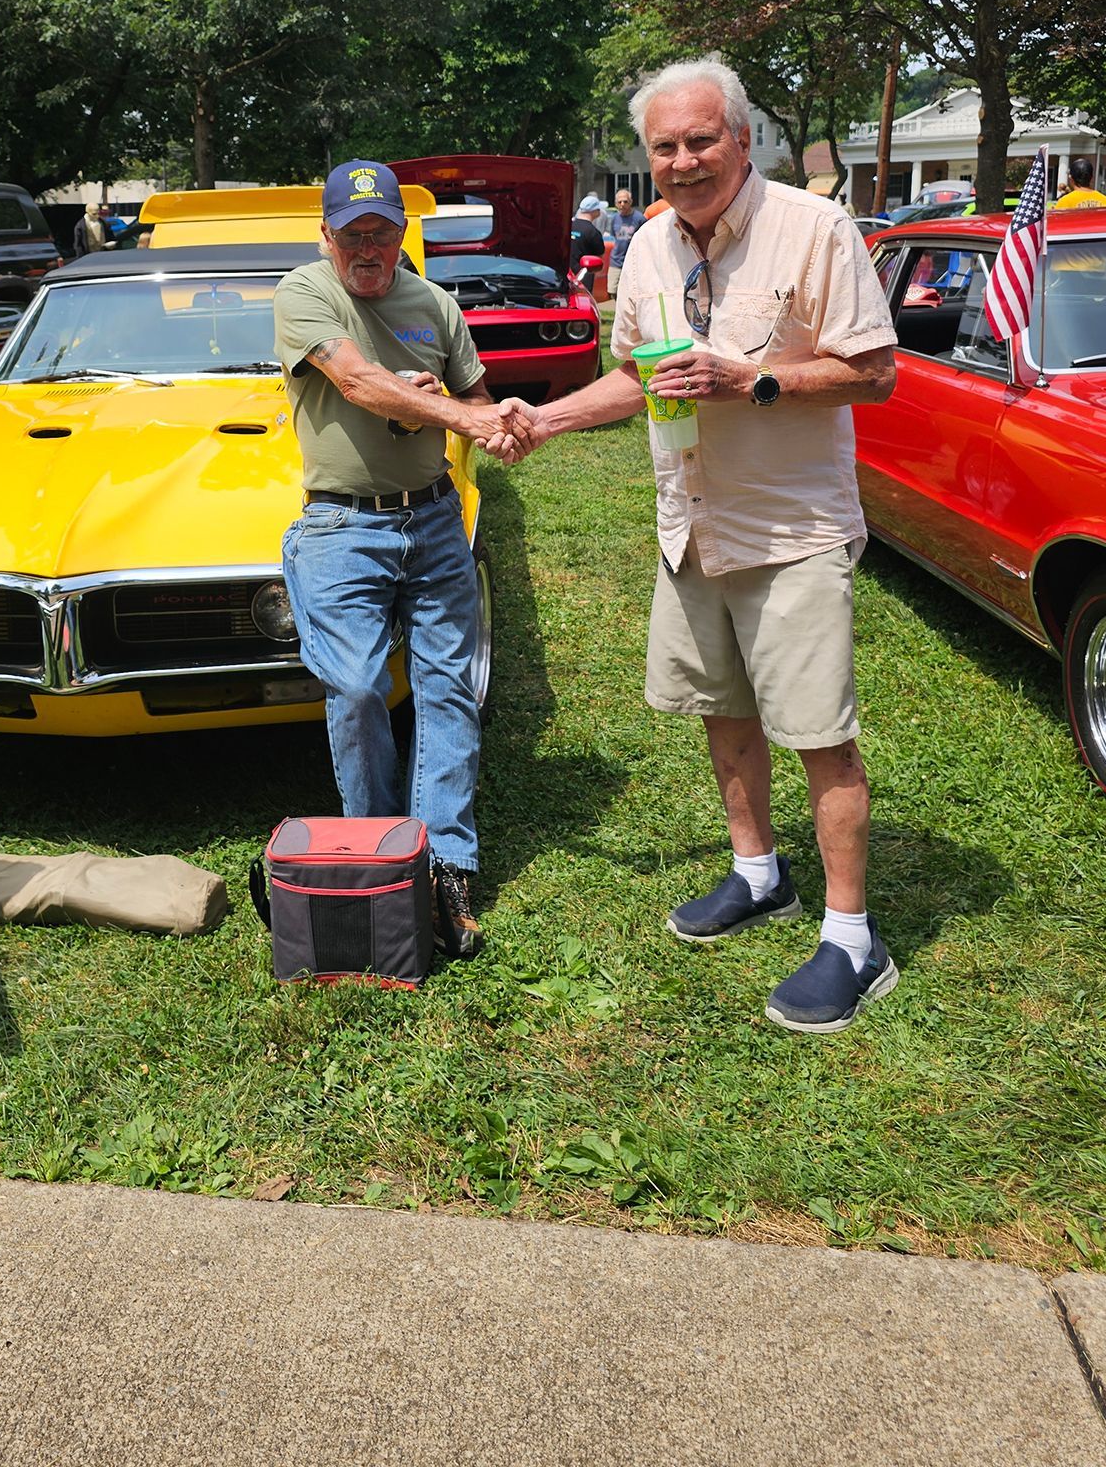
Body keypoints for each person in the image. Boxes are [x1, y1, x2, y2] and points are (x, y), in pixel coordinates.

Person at [496, 57, 900, 1032]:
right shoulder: (643, 247)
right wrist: (542, 420)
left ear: (743, 138)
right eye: (665, 146)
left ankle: (854, 940)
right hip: (692, 524)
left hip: (791, 530)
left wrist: (753, 379)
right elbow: (640, 376)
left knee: (819, 734)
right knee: (721, 710)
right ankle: (758, 873)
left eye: (701, 139)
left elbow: (875, 370)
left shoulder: (815, 228)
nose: (683, 160)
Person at [272, 160, 519, 958]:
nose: (367, 248)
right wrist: (432, 404)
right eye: (353, 235)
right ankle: (379, 851)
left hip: (436, 519)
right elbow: (359, 383)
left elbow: (476, 403)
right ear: (327, 235)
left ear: (403, 233)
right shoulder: (305, 294)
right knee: (353, 689)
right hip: (342, 528)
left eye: (382, 232)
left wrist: (480, 416)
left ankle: (446, 864)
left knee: (449, 688)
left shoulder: (435, 304)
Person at [602, 187, 644, 300]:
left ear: (630, 202)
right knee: (612, 290)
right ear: (616, 203)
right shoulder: (615, 218)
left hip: (633, 261)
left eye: (625, 201)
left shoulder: (639, 218)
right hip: (616, 260)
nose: (622, 204)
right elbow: (614, 236)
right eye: (619, 202)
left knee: (632, 291)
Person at [571, 195, 606, 294]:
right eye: (598, 209)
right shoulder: (593, 232)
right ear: (594, 211)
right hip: (583, 276)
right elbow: (599, 257)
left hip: (563, 275)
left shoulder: (569, 225)